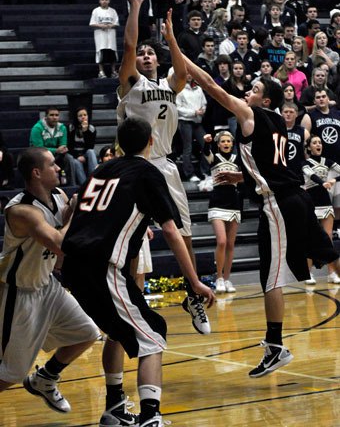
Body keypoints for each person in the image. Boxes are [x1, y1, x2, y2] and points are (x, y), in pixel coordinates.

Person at [182, 58, 340, 377]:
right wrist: (243, 178)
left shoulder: (251, 114)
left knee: (271, 276)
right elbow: (272, 166)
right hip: (293, 198)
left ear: (263, 101)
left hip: (278, 204)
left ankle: (276, 347)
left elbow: (212, 87)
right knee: (323, 256)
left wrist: (181, 56)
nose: (246, 93)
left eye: (253, 90)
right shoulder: (279, 121)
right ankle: (274, 345)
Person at [61, 117, 215, 427]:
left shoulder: (101, 170)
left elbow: (74, 208)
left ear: (118, 144)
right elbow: (171, 231)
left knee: (117, 332)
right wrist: (194, 281)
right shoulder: (147, 172)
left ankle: (114, 406)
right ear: (151, 142)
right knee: (154, 335)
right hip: (101, 266)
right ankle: (150, 417)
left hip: (73, 265)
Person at [117, 0, 212, 336]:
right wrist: (136, 4)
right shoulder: (131, 84)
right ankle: (121, 300)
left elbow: (184, 72)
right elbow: (128, 45)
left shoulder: (170, 85)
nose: (144, 55)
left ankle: (192, 294)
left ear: (157, 59)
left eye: (149, 53)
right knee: (125, 240)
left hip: (165, 166)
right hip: (134, 166)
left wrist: (171, 38)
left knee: (183, 234)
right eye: (142, 53)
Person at [0, 147, 99, 410]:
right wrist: (76, 214)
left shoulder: (58, 195)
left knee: (87, 332)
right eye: (52, 164)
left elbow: (64, 236)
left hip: (48, 286)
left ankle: (44, 378)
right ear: (36, 172)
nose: (58, 168)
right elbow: (60, 243)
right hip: (18, 293)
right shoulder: (22, 211)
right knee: (11, 373)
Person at [203, 131, 242, 293]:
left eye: (228, 141)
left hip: (234, 202)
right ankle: (218, 277)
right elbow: (206, 152)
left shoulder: (237, 160)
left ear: (232, 144)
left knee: (231, 244)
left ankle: (227, 279)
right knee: (222, 242)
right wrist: (207, 142)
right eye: (223, 141)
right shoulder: (214, 158)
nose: (226, 143)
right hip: (217, 203)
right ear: (218, 144)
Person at [302, 135, 340, 285]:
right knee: (309, 237)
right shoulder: (304, 163)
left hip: (325, 202)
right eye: (315, 143)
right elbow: (310, 174)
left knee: (328, 237)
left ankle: (331, 273)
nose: (318, 145)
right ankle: (308, 273)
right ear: (309, 147)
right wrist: (323, 182)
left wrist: (334, 180)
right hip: (310, 201)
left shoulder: (328, 162)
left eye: (320, 143)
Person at [29, 106, 76, 186]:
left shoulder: (62, 127)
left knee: (69, 158)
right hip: (39, 155)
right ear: (46, 116)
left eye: (56, 115)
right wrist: (56, 150)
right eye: (51, 115)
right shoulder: (37, 128)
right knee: (47, 159)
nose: (54, 117)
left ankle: (71, 185)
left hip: (57, 155)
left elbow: (63, 145)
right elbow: (39, 149)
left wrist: (61, 149)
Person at [176, 73, 209, 182]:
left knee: (206, 145)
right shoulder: (179, 89)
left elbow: (204, 102)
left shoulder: (198, 88)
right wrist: (194, 112)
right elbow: (177, 108)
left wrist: (203, 110)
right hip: (185, 122)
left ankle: (205, 171)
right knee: (188, 148)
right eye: (186, 74)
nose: (189, 76)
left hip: (197, 122)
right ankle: (189, 174)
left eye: (190, 74)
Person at [89, 0, 119, 79]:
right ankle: (101, 72)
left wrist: (110, 26)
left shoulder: (113, 11)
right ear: (99, 1)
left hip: (110, 35)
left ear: (109, 1)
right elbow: (92, 23)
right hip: (100, 35)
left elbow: (116, 23)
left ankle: (113, 71)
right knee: (100, 53)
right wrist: (101, 26)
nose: (104, 1)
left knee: (112, 53)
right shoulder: (96, 11)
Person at [67, 106, 98, 184]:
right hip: (74, 154)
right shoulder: (71, 128)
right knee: (76, 162)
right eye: (80, 116)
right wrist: (77, 156)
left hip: (86, 153)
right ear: (76, 117)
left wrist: (85, 131)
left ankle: (94, 179)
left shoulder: (91, 128)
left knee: (91, 152)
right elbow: (69, 147)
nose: (83, 117)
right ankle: (85, 185)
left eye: (85, 115)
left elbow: (90, 146)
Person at [281, 102, 309, 182]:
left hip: (299, 171)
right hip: (282, 171)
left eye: (291, 112)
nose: (288, 114)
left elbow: (307, 154)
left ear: (296, 114)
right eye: (286, 112)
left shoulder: (304, 132)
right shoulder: (276, 130)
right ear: (281, 113)